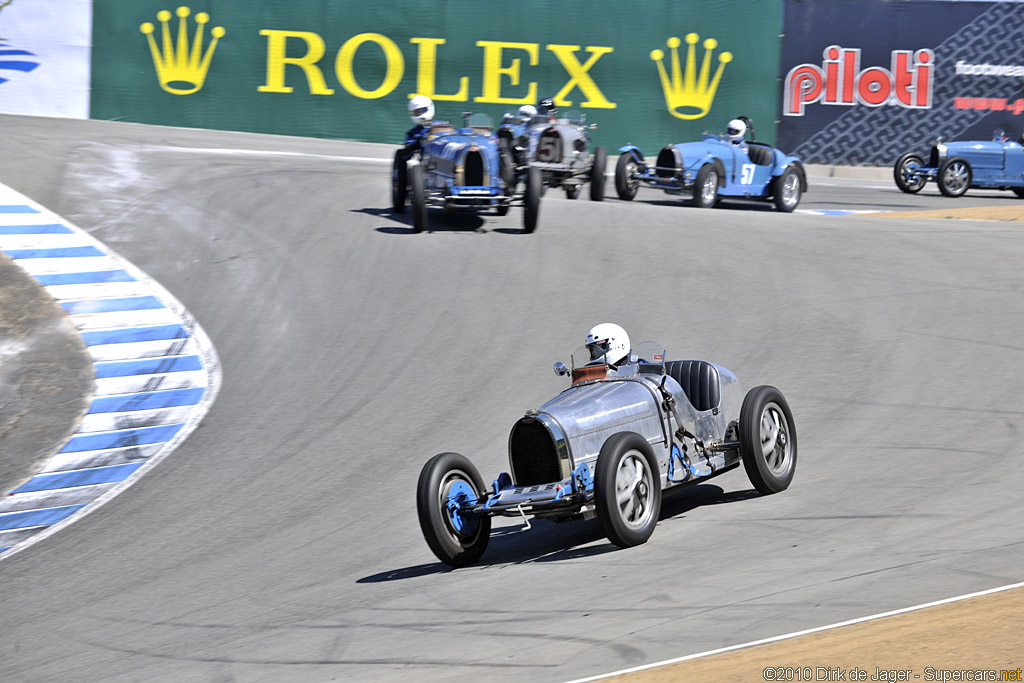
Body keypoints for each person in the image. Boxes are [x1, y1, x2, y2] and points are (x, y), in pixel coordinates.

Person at [401, 95, 435, 160]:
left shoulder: (442, 125)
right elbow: (406, 155)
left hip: (446, 154)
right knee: (400, 154)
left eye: (422, 111)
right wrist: (412, 145)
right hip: (427, 161)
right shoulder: (414, 132)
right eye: (417, 112)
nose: (420, 114)